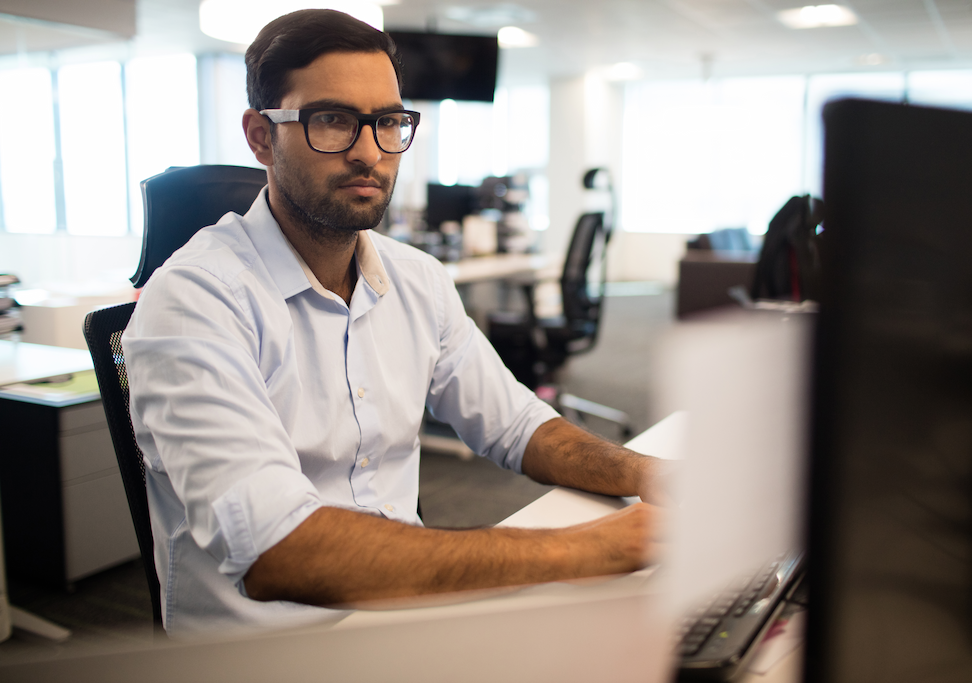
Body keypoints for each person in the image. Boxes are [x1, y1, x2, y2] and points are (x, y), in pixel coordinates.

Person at [122, 9, 662, 638]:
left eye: (386, 123)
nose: (367, 153)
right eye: (331, 120)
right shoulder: (195, 301)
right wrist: (596, 550)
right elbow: (278, 549)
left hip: (407, 618)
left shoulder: (418, 280)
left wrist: (647, 473)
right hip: (273, 657)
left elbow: (516, 425)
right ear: (261, 136)